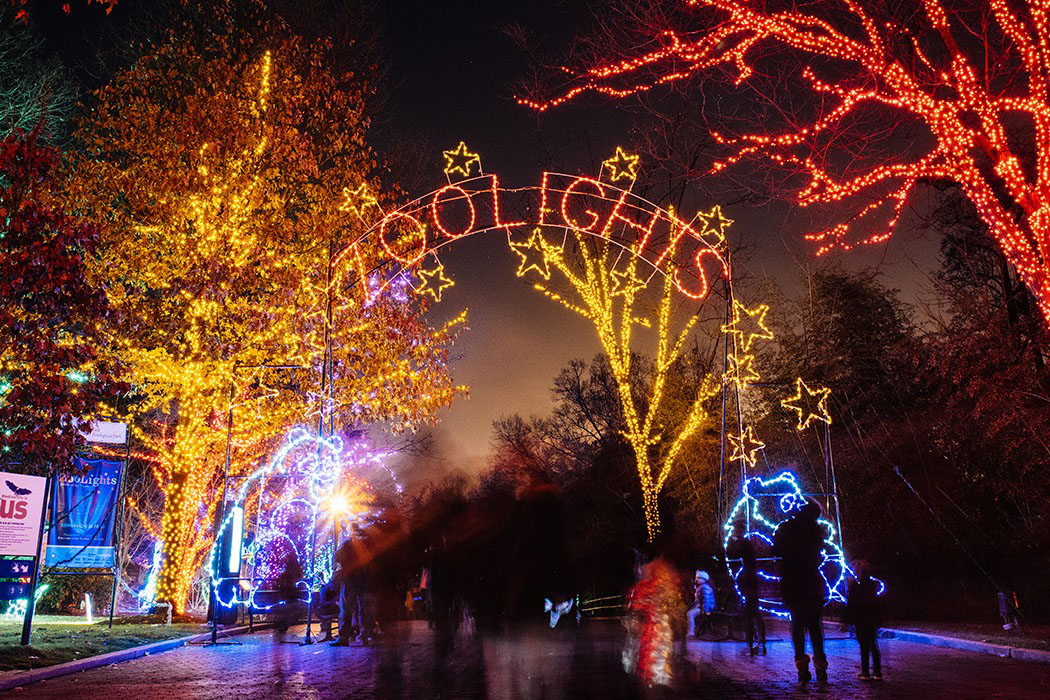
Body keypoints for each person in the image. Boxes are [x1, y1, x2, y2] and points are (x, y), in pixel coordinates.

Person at [773, 499, 829, 687]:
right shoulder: (816, 530)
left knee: (797, 625)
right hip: (811, 582)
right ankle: (821, 668)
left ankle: (802, 670)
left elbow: (776, 550)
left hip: (792, 583)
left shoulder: (786, 528)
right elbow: (820, 551)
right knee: (814, 627)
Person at [727, 519, 766, 655]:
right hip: (749, 580)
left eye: (735, 529)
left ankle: (753, 643)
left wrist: (730, 542)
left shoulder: (743, 543)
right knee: (753, 612)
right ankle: (758, 642)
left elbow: (732, 554)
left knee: (750, 613)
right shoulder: (745, 543)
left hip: (748, 581)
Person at [845, 560, 882, 680]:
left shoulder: (857, 587)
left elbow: (852, 604)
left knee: (864, 645)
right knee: (873, 644)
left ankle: (865, 672)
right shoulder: (873, 586)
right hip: (872, 618)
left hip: (861, 619)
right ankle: (877, 672)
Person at [686, 570, 715, 638]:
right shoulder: (700, 587)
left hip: (707, 607)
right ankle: (691, 629)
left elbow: (706, 600)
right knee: (689, 613)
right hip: (701, 606)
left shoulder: (705, 587)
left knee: (690, 614)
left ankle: (691, 632)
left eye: (699, 578)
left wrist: (706, 610)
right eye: (697, 578)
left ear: (704, 579)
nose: (697, 579)